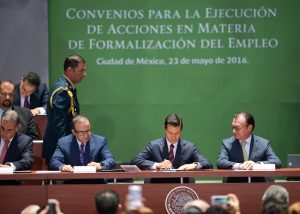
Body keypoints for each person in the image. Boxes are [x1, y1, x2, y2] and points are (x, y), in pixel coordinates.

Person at [131, 113, 212, 183]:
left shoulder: (189, 147)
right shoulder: (154, 146)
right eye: (170, 133)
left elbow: (207, 163)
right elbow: (135, 160)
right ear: (165, 129)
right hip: (158, 188)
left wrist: (194, 165)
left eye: (177, 133)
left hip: (182, 188)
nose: (173, 137)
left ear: (181, 130)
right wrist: (157, 165)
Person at [42, 54, 87, 162]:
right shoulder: (62, 91)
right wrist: (66, 151)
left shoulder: (67, 88)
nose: (84, 74)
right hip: (59, 152)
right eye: (81, 71)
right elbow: (59, 125)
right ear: (70, 70)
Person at [49, 115, 116, 184]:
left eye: (88, 131)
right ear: (74, 132)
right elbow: (54, 161)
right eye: (81, 133)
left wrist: (100, 165)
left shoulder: (100, 141)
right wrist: (63, 166)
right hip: (72, 184)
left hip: (96, 183)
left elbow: (110, 160)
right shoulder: (63, 143)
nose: (86, 135)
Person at [216, 112, 281, 182]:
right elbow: (220, 162)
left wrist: (257, 165)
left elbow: (276, 162)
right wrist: (239, 166)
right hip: (235, 185)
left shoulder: (263, 144)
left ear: (249, 128)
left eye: (237, 128)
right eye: (233, 127)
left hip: (258, 185)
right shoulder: (227, 143)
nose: (233, 131)